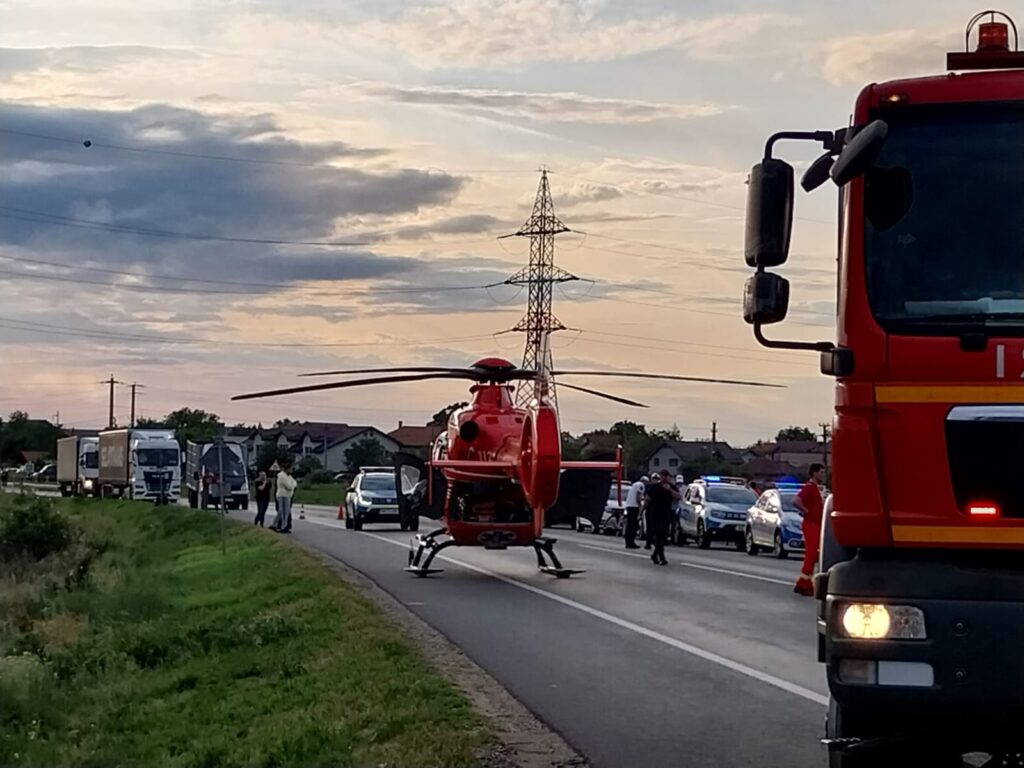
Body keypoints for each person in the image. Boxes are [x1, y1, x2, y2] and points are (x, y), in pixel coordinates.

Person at [793, 463, 826, 596]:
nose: (823, 475)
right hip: (811, 524)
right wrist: (806, 511)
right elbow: (796, 500)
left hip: (816, 524)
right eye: (821, 472)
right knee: (811, 554)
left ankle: (804, 582)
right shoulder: (809, 488)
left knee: (813, 554)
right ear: (814, 473)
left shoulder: (816, 488)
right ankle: (804, 583)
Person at [645, 469, 680, 566]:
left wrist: (670, 490)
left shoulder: (671, 486)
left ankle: (655, 555)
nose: (664, 478)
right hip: (655, 513)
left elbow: (679, 497)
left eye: (666, 476)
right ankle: (662, 557)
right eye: (663, 476)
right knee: (658, 534)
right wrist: (644, 509)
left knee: (663, 536)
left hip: (666, 513)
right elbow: (648, 499)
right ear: (660, 476)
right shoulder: (654, 487)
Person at [270, 464, 297, 533]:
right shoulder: (282, 476)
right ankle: (280, 525)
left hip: (287, 495)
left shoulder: (289, 477)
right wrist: (292, 486)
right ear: (286, 469)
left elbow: (295, 483)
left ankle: (281, 526)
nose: (291, 471)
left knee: (285, 511)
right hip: (282, 495)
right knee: (282, 511)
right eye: (290, 469)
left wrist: (292, 485)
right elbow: (289, 486)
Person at [623, 475, 647, 549]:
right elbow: (638, 496)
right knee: (634, 525)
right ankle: (631, 542)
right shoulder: (641, 485)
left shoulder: (634, 485)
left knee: (629, 525)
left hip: (629, 506)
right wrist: (640, 505)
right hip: (634, 507)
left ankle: (628, 542)